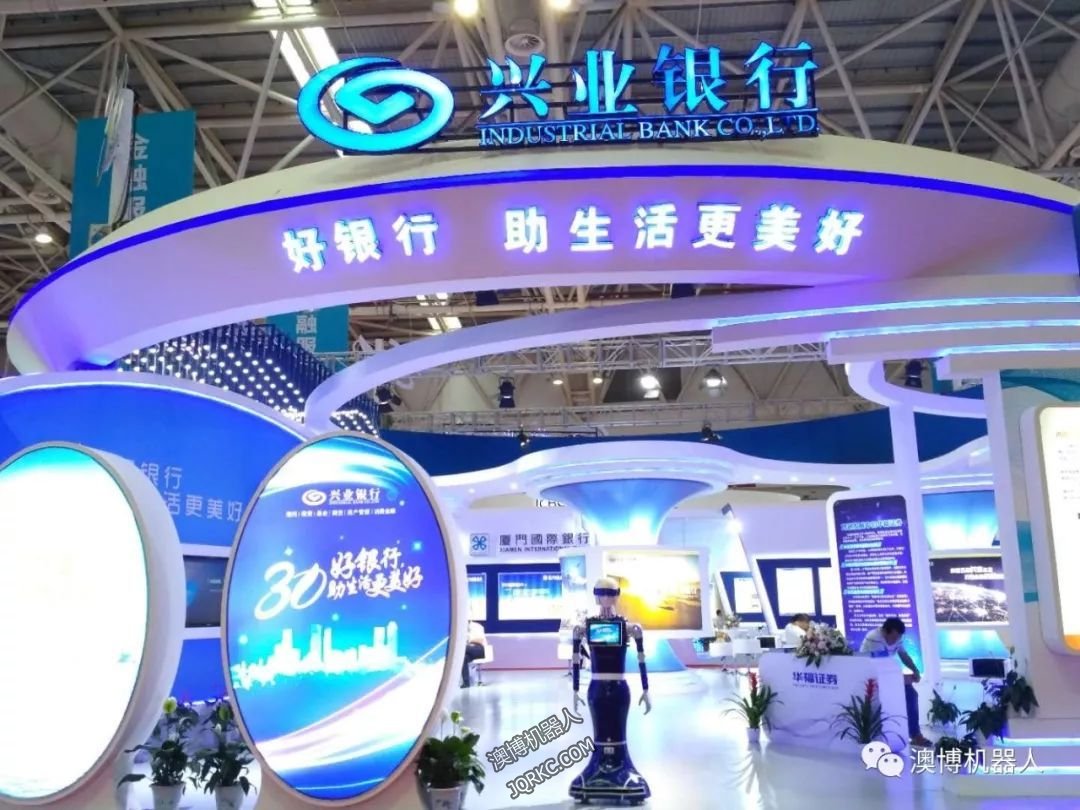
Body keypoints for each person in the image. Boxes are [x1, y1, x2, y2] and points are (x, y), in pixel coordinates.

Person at [860, 617, 932, 747]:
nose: (895, 640)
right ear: (885, 631)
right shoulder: (874, 638)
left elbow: (903, 655)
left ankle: (915, 734)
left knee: (911, 695)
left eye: (898, 638)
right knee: (906, 694)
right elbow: (882, 664)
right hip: (872, 676)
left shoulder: (897, 637)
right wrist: (902, 679)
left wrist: (915, 670)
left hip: (887, 674)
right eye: (893, 637)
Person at [461, 621, 486, 688]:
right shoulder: (462, 629)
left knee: (461, 648)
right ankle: (466, 683)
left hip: (479, 649)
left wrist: (468, 640)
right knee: (463, 658)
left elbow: (480, 640)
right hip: (469, 650)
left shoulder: (477, 627)